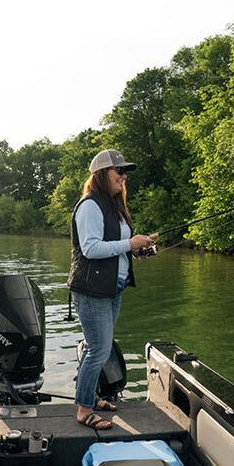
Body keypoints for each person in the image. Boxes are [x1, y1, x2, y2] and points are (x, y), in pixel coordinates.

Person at [67, 149, 156, 430]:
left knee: (99, 349)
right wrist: (130, 244)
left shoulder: (114, 206)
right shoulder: (90, 206)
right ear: (103, 174)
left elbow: (116, 246)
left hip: (112, 289)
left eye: (125, 172)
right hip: (92, 291)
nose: (124, 176)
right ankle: (84, 409)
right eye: (120, 171)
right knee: (98, 350)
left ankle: (90, 397)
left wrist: (138, 250)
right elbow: (91, 249)